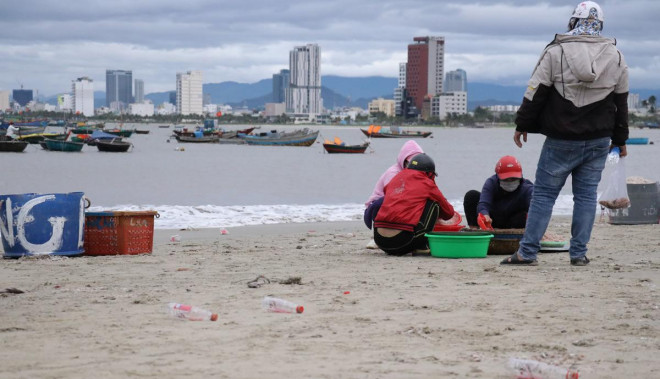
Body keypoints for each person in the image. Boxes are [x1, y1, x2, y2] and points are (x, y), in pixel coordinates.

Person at [502, 1, 629, 266]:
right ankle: (579, 254)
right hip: (598, 140)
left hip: (561, 138)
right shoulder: (615, 55)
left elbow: (535, 92)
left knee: (544, 196)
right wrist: (620, 141)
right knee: (585, 197)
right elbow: (621, 102)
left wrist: (522, 124)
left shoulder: (556, 52)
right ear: (600, 26)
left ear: (573, 22)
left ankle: (527, 253)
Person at [373, 153, 455, 256]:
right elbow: (449, 213)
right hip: (402, 242)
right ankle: (422, 246)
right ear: (430, 174)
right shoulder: (426, 182)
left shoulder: (396, 178)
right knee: (434, 204)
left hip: (380, 240)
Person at [363, 140, 423, 229]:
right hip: (378, 206)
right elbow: (392, 197)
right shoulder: (393, 173)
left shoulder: (417, 173)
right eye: (410, 163)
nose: (413, 166)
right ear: (404, 160)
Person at [463, 156, 534, 229]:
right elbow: (484, 203)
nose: (509, 182)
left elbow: (535, 208)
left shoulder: (527, 188)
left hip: (514, 222)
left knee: (523, 216)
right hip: (492, 219)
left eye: (513, 179)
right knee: (471, 195)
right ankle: (474, 230)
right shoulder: (491, 182)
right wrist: (484, 214)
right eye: (506, 179)